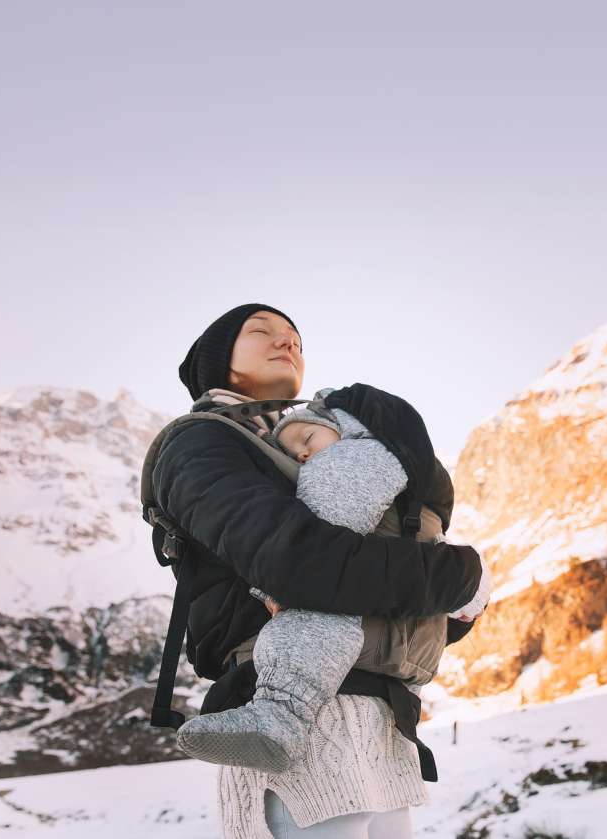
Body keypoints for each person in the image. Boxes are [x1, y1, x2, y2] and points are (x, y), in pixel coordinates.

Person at [152, 303, 489, 837]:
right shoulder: (202, 442)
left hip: (383, 714)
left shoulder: (338, 442)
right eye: (261, 332)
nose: (286, 343)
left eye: (296, 339)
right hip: (287, 707)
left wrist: (453, 600)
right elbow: (299, 563)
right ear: (218, 362)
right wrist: (456, 575)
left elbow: (407, 607)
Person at [174, 394, 489, 775]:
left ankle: (280, 715)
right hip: (387, 695)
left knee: (315, 618)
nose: (305, 456)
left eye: (307, 440)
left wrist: (271, 588)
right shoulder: (401, 473)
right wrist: (458, 585)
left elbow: (312, 559)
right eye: (296, 454)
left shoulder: (350, 462)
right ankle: (278, 717)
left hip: (363, 693)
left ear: (345, 425)